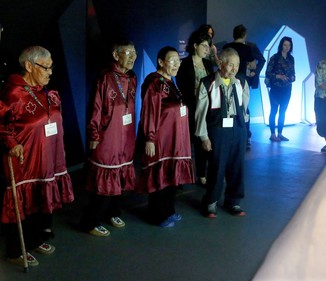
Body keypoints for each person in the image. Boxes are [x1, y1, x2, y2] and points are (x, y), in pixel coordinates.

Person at [0, 46, 74, 266]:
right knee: (22, 202)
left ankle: (36, 238)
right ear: (29, 66)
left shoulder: (45, 91)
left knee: (40, 199)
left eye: (52, 66)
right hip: (24, 161)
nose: (50, 72)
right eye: (46, 67)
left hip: (47, 158)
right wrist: (11, 143)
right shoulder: (13, 93)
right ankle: (16, 251)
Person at [80, 41, 138, 236]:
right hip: (108, 136)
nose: (132, 57)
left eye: (134, 53)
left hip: (127, 135)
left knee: (120, 175)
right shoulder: (104, 78)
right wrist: (94, 134)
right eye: (128, 53)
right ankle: (90, 222)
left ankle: (112, 213)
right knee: (104, 179)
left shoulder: (132, 77)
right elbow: (95, 109)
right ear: (116, 55)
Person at [138, 46, 195, 227]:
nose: (176, 64)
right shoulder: (154, 82)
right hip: (161, 141)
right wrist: (150, 138)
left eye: (178, 60)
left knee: (171, 177)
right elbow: (149, 111)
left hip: (175, 141)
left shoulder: (171, 82)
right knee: (160, 178)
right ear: (161, 62)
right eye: (171, 60)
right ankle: (158, 216)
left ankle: (169, 211)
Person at [195, 47, 249, 218]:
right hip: (218, 130)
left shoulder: (241, 82)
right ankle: (211, 202)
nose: (235, 69)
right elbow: (200, 112)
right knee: (217, 167)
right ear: (221, 63)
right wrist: (204, 136)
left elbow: (244, 105)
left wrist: (244, 128)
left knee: (237, 167)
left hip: (238, 128)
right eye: (231, 65)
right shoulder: (207, 82)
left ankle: (234, 201)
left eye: (237, 65)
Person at [176, 30, 214, 186]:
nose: (207, 49)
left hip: (204, 108)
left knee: (201, 141)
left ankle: (201, 174)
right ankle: (180, 177)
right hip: (189, 107)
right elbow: (181, 85)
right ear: (195, 45)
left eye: (208, 46)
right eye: (204, 46)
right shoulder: (184, 64)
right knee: (184, 142)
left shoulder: (208, 64)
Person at [223, 24, 256, 149]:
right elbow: (253, 65)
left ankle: (228, 135)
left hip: (225, 79)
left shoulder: (227, 47)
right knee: (243, 107)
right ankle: (245, 135)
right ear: (244, 35)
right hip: (241, 80)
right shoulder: (246, 48)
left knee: (226, 106)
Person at [265, 36, 295, 142]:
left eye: (289, 45)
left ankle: (280, 133)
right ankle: (273, 134)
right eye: (285, 45)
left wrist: (291, 78)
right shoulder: (275, 57)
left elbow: (293, 74)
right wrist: (278, 76)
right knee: (274, 110)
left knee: (283, 111)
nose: (287, 47)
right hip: (276, 88)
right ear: (281, 45)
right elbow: (268, 73)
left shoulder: (291, 59)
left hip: (287, 88)